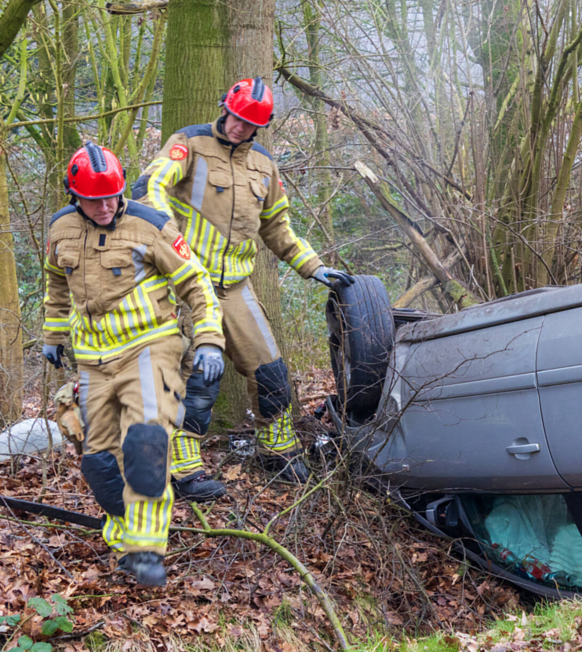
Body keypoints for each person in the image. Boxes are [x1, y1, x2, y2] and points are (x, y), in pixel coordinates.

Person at [132, 77, 353, 500]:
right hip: (184, 284)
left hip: (235, 286)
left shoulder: (264, 167)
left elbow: (278, 227)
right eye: (236, 117)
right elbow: (150, 187)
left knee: (270, 370)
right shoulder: (189, 144)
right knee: (197, 374)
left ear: (260, 125)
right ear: (224, 109)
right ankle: (184, 468)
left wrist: (315, 266)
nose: (239, 127)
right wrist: (172, 244)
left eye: (250, 122)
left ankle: (278, 450)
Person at [43, 142, 225, 587]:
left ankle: (146, 549)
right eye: (93, 199)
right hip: (92, 359)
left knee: (145, 441)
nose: (105, 207)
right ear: (74, 195)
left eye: (112, 196)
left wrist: (209, 340)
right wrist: (52, 335)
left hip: (150, 345)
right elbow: (56, 283)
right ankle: (127, 528)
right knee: (99, 463)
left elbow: (196, 284)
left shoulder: (152, 225)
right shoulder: (60, 230)